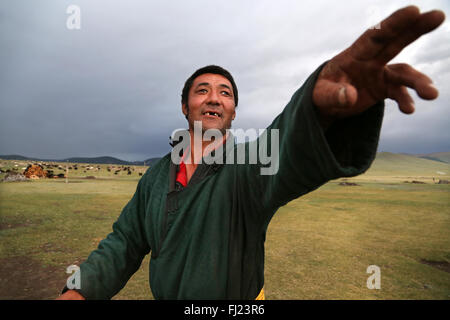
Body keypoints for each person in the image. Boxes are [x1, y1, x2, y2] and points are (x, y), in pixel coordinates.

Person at [57, 6, 445, 300]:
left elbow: (287, 144)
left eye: (225, 92)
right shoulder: (156, 176)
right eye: (202, 90)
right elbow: (124, 242)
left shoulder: (248, 166)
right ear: (185, 107)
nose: (213, 98)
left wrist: (318, 111)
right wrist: (78, 289)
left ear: (234, 112)